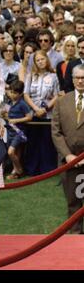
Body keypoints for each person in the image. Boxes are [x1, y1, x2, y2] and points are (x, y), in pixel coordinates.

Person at [52, 64, 84, 233]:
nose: (80, 81)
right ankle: (76, 237)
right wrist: (68, 155)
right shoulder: (62, 101)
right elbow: (56, 132)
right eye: (77, 78)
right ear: (72, 79)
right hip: (68, 162)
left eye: (83, 78)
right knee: (73, 202)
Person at [2, 80, 32, 179]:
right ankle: (16, 173)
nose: (12, 94)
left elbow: (29, 117)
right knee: (15, 153)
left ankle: (19, 169)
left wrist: (16, 120)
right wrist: (4, 113)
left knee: (10, 152)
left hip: (19, 132)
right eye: (11, 92)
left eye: (15, 93)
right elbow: (5, 113)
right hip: (10, 131)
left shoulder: (22, 104)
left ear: (20, 94)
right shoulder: (9, 102)